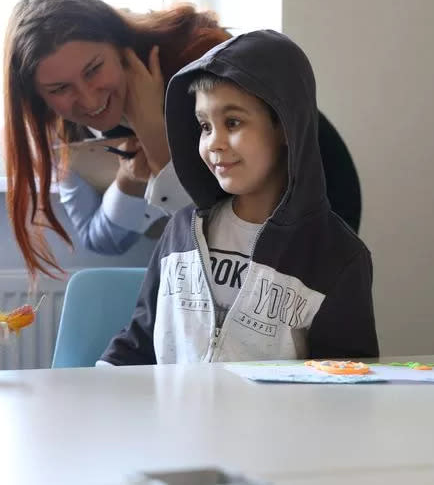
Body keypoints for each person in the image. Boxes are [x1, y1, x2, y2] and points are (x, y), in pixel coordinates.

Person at [3, 0, 362, 277]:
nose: (86, 98)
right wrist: (128, 183)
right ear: (38, 96)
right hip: (223, 254)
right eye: (59, 89)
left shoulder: (200, 57)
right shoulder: (60, 129)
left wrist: (156, 135)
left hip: (316, 201)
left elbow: (230, 224)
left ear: (119, 45)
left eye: (94, 69)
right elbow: (102, 239)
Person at [99, 30, 379, 364]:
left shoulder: (338, 256)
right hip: (175, 416)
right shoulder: (180, 230)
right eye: (205, 126)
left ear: (285, 127)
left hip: (279, 418)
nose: (214, 143)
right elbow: (139, 340)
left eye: (232, 122)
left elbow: (346, 382)